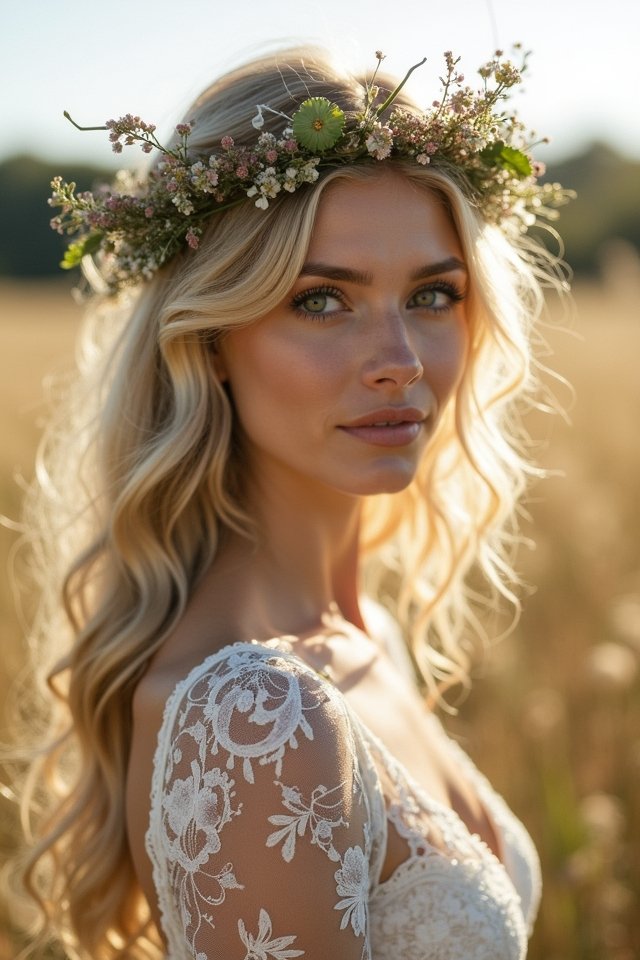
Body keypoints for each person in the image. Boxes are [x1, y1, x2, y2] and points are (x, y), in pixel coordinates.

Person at [13, 44, 571, 960]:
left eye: (433, 293)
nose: (400, 357)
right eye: (321, 300)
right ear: (213, 340)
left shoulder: (364, 637)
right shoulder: (255, 719)